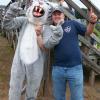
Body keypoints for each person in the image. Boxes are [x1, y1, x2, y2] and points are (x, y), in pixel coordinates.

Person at [3, 1, 63, 100]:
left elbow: (48, 45)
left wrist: (57, 33)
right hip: (19, 61)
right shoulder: (25, 21)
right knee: (14, 87)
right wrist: (12, 10)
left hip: (36, 64)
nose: (39, 3)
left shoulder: (47, 27)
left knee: (32, 92)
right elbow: (7, 25)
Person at [48, 6, 97, 100]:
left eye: (59, 14)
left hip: (75, 68)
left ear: (64, 15)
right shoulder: (50, 29)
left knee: (77, 98)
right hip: (58, 69)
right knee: (58, 98)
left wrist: (92, 22)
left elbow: (87, 32)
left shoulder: (72, 23)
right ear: (52, 17)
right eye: (54, 14)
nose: (57, 16)